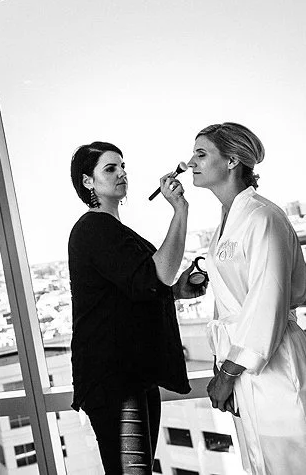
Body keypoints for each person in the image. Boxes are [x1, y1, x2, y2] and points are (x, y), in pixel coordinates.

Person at [68, 141, 203, 474]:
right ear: (88, 181)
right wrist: (180, 209)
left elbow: (134, 291)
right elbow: (158, 275)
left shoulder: (111, 230)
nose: (121, 173)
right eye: (110, 168)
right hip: (115, 381)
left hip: (130, 376)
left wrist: (175, 292)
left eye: (122, 166)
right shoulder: (95, 229)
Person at [188, 122, 306, 475]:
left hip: (275, 363)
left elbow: (267, 301)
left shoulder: (263, 217)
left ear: (232, 161)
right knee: (260, 462)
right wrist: (221, 363)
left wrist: (227, 374)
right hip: (241, 366)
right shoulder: (226, 222)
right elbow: (226, 303)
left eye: (201, 154)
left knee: (291, 460)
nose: (191, 162)